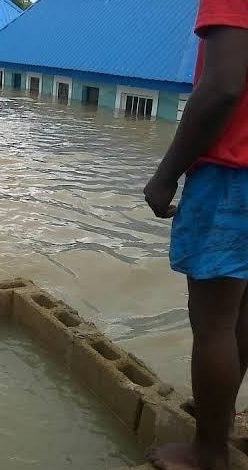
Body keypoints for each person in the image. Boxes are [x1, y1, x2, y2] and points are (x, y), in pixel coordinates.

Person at [143, 2, 248, 469]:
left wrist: (166, 175)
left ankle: (208, 453)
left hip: (232, 174)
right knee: (244, 311)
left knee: (213, 324)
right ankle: (220, 426)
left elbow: (224, 86)